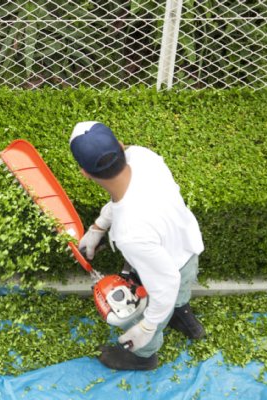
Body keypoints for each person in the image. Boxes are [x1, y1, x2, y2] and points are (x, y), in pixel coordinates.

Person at [69, 121, 206, 371]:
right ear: (121, 147)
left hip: (165, 272)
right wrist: (98, 227)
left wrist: (146, 327)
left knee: (154, 308)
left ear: (84, 173)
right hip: (187, 246)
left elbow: (166, 283)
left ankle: (143, 356)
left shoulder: (130, 233)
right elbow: (124, 197)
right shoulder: (144, 157)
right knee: (180, 290)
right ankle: (181, 314)